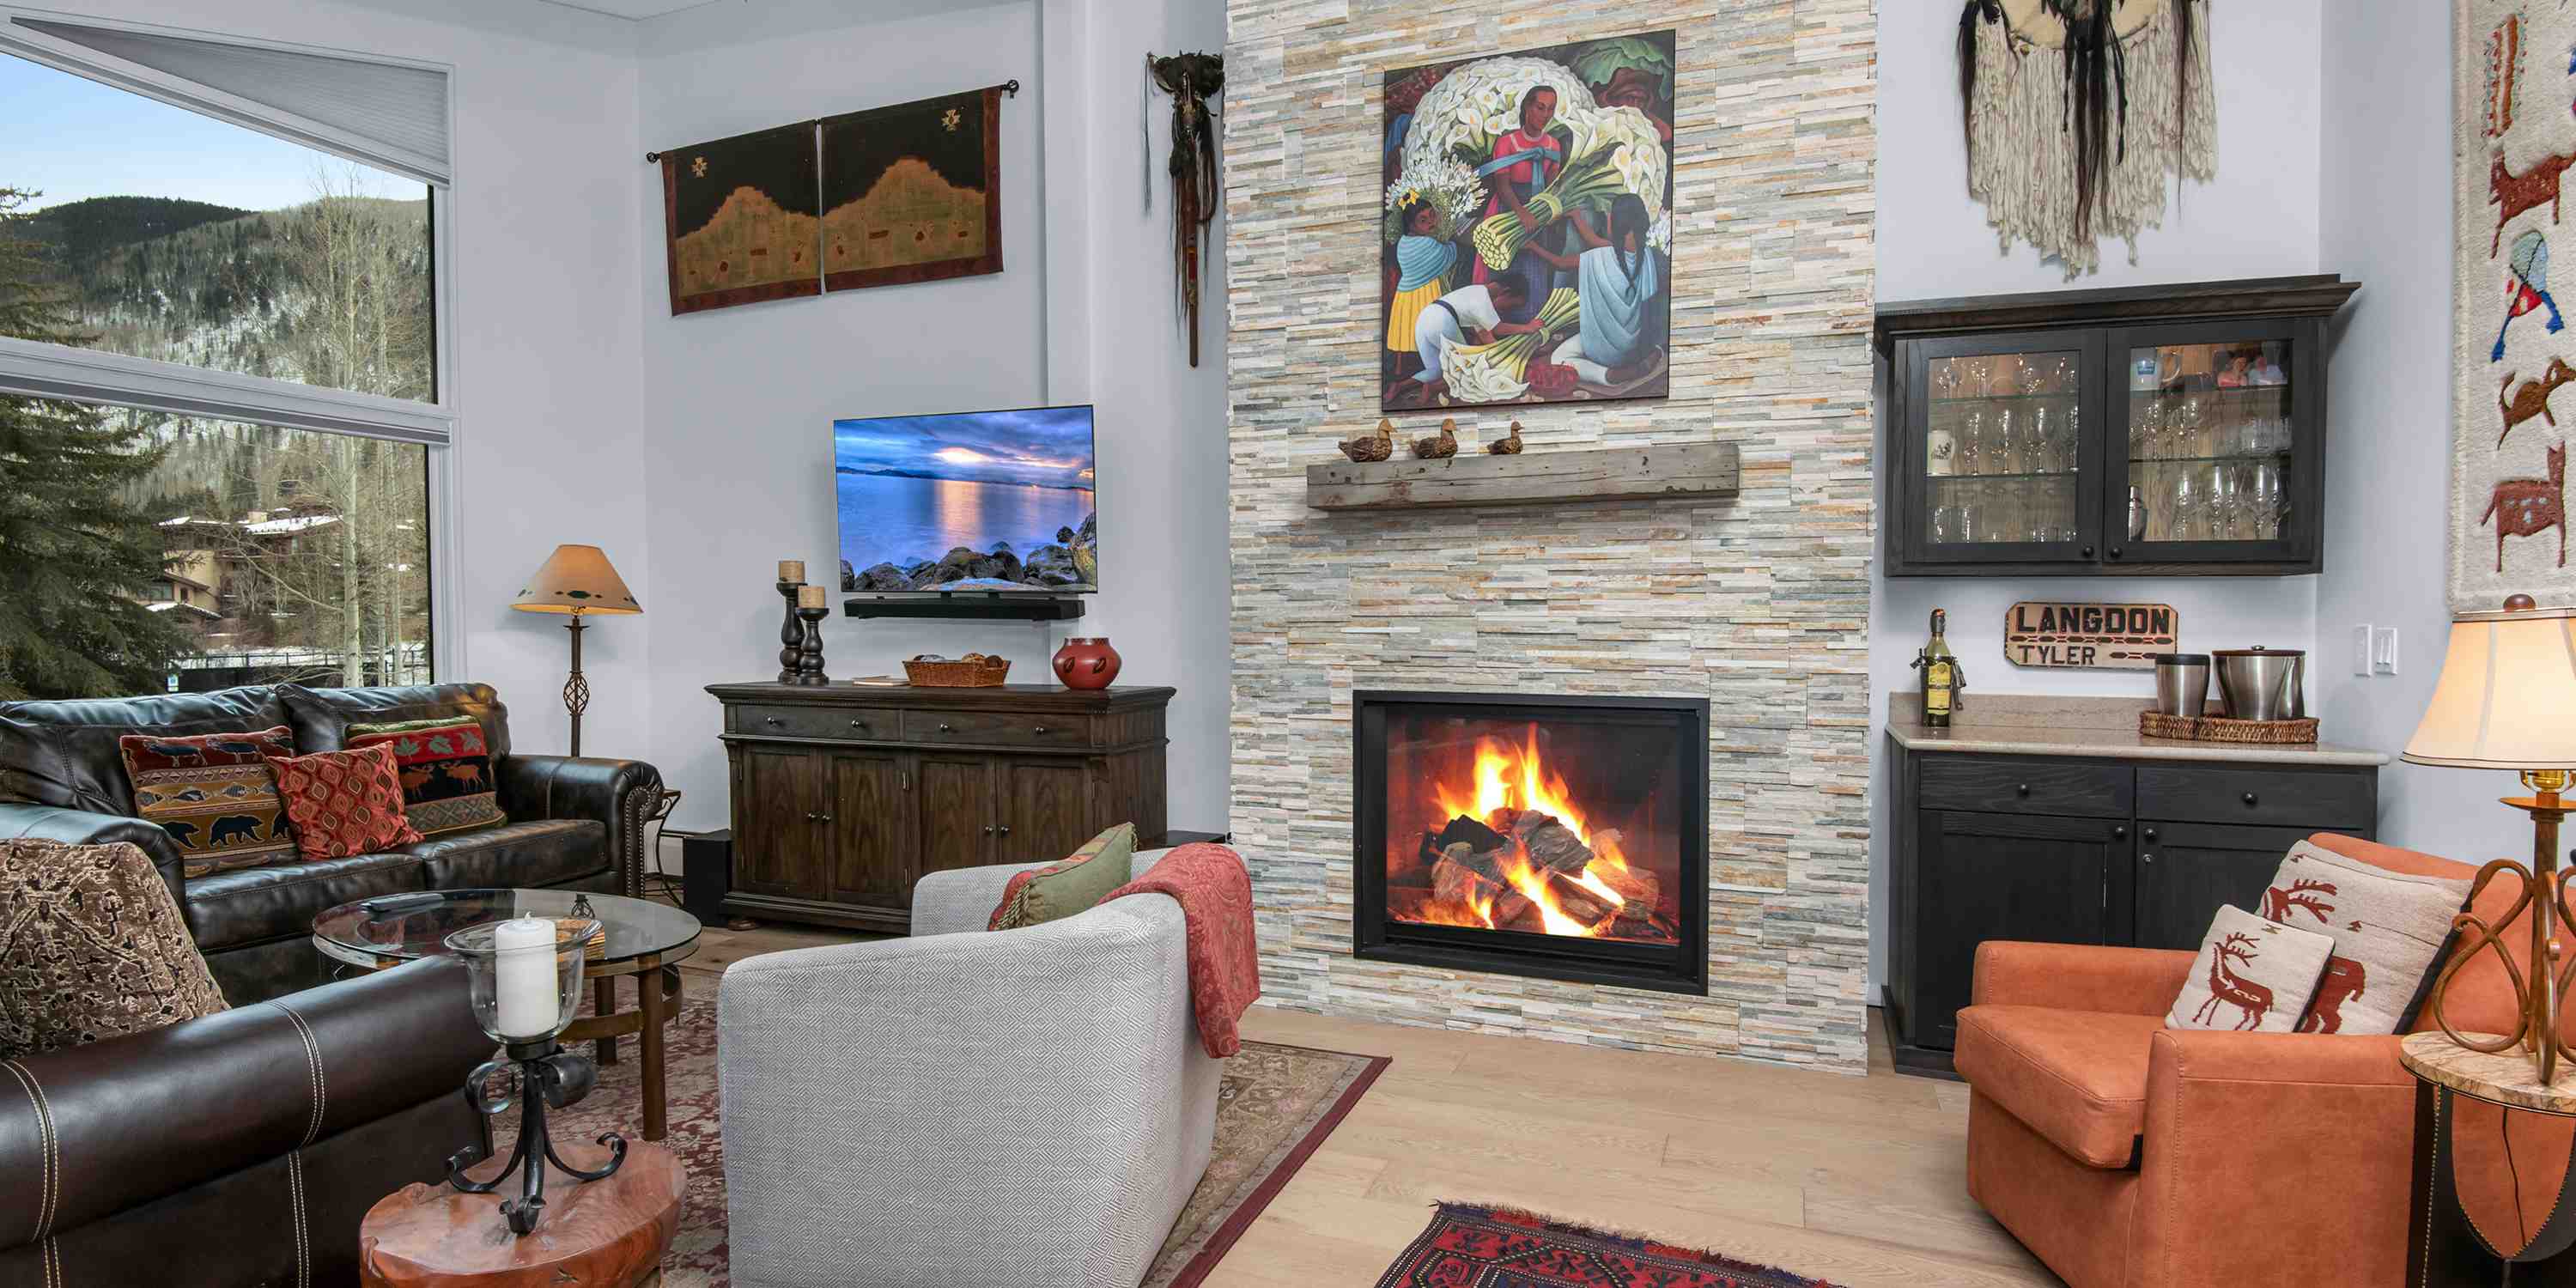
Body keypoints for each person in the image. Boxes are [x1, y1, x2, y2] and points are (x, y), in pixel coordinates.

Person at [1522, 193, 1663, 387]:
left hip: (1604, 350)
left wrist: (1533, 247)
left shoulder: (1599, 257)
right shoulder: (1645, 255)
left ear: (1614, 223)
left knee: (1559, 358)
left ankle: (1608, 375)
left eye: (1609, 216)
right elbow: (1595, 240)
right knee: (1575, 343)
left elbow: (1561, 263)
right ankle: (1653, 355)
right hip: (1633, 346)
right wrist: (1576, 216)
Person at [1472, 85, 1567, 313]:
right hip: (1508, 209)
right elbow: (1502, 184)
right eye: (1540, 107)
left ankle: (1530, 322)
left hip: (1537, 211)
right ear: (1527, 107)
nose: (1545, 115)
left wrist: (1550, 211)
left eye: (1550, 109)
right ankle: (1498, 323)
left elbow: (1552, 186)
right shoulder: (1507, 142)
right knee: (1503, 266)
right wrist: (1521, 212)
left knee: (1534, 266)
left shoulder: (1553, 145)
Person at [1400, 276, 1537, 406]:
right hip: (1441, 320)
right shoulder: (1483, 299)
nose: (1507, 310)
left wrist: (1502, 355)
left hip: (1424, 318)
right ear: (1506, 292)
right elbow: (1497, 329)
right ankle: (1432, 388)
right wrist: (1527, 328)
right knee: (1469, 368)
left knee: (1436, 370)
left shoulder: (1475, 293)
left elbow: (1484, 335)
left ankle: (1399, 386)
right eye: (1512, 306)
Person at [1383, 197, 1458, 380]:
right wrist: (1452, 245)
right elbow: (1447, 255)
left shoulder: (1403, 243)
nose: (1431, 222)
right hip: (1425, 292)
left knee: (1406, 329)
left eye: (1432, 215)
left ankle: (1400, 369)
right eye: (1423, 220)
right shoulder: (1428, 244)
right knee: (1429, 327)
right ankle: (1432, 368)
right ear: (1411, 226)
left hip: (1405, 296)